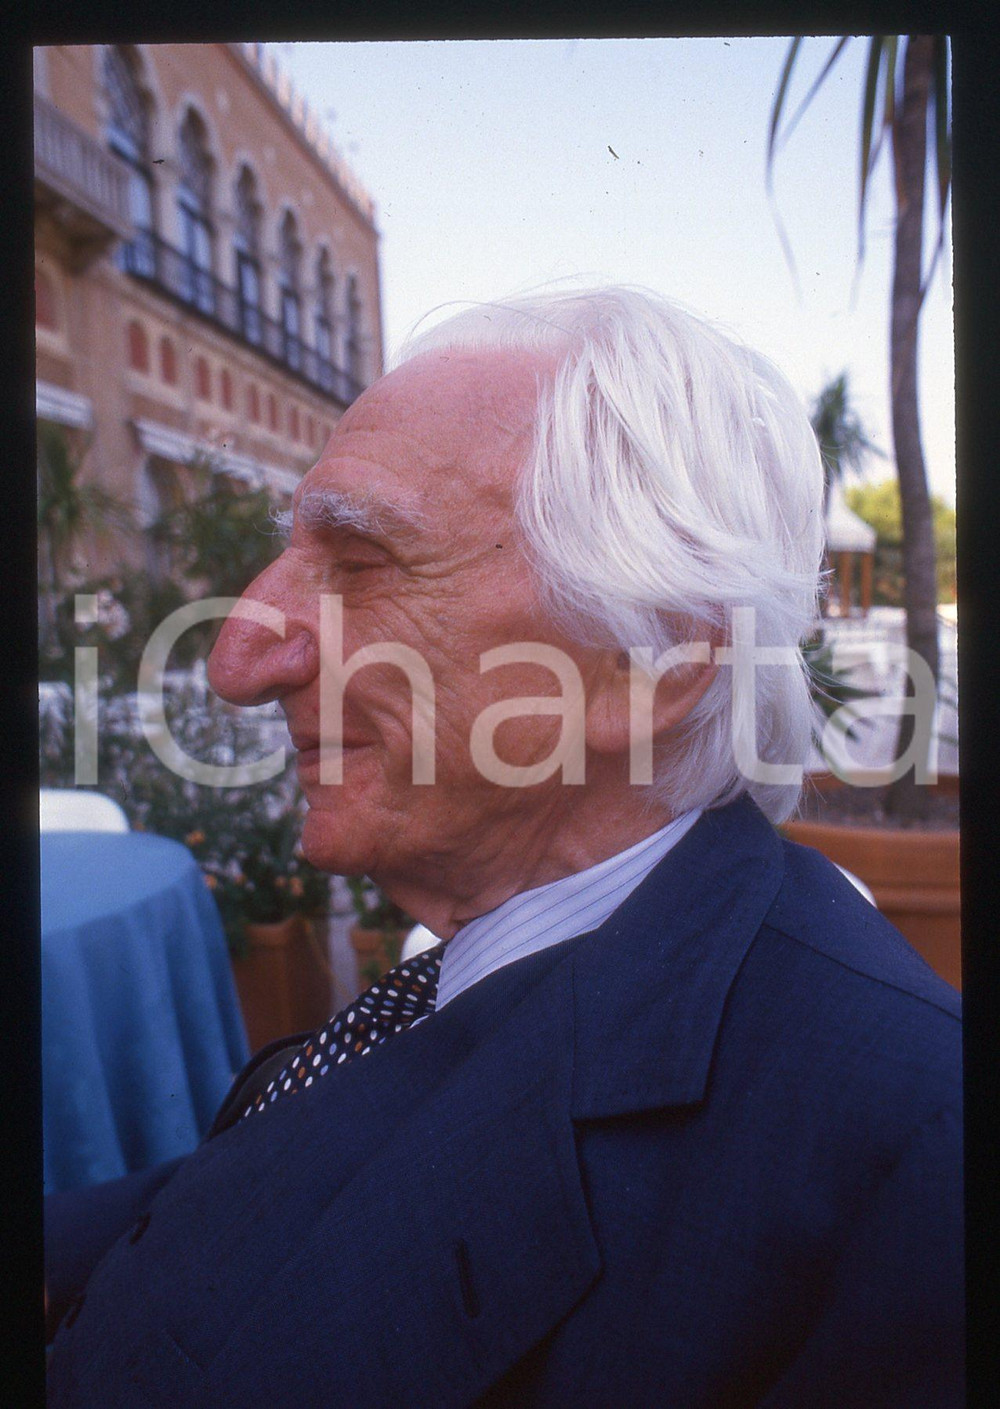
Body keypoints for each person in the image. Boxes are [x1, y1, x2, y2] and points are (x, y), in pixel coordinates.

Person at [45, 287, 962, 1406]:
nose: (240, 656)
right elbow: (253, 1188)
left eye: (363, 560)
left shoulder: (909, 1174)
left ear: (657, 663)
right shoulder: (515, 952)